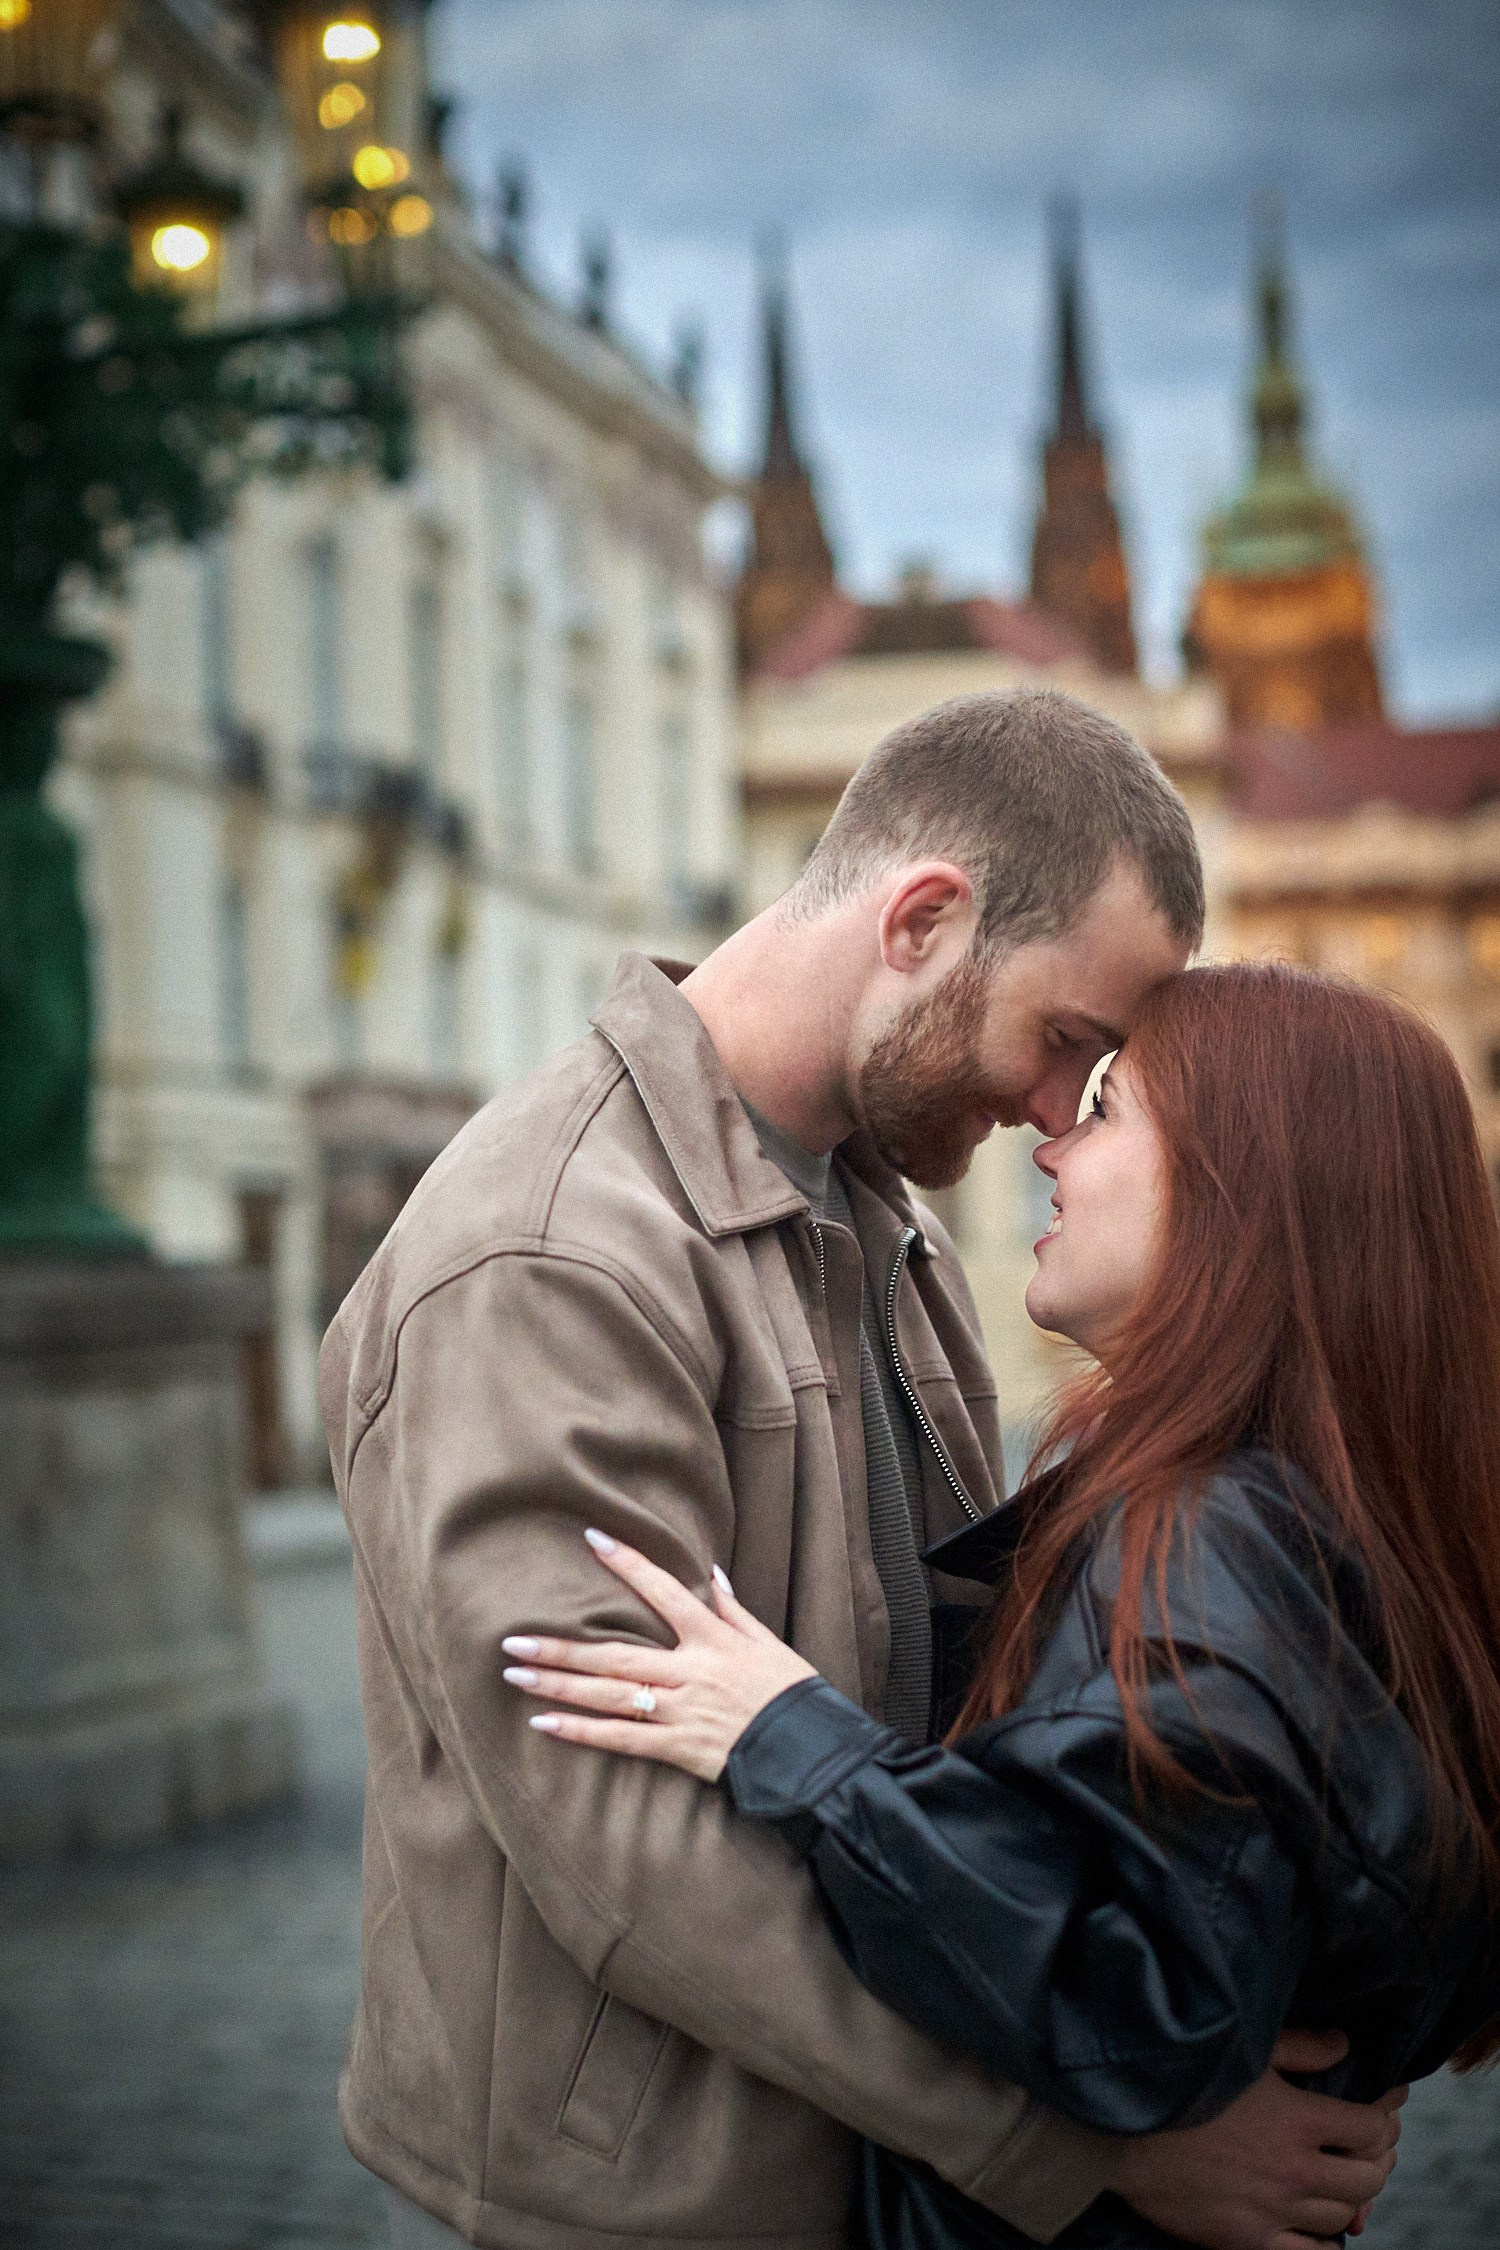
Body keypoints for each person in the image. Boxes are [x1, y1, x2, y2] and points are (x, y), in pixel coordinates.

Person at [322, 691, 1401, 2250]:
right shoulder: (552, 1247)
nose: (1056, 1116)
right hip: (660, 2202)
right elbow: (618, 1845)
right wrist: (1081, 2143)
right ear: (923, 921)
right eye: (1070, 1042)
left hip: (869, 2175)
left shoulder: (879, 1204)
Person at [504, 960, 1500, 2250]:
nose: (1052, 1147)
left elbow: (1124, 2003)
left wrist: (787, 1737)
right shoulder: (1324, 1513)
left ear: (1240, 1192)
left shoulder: (1205, 1534)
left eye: (1107, 1106)